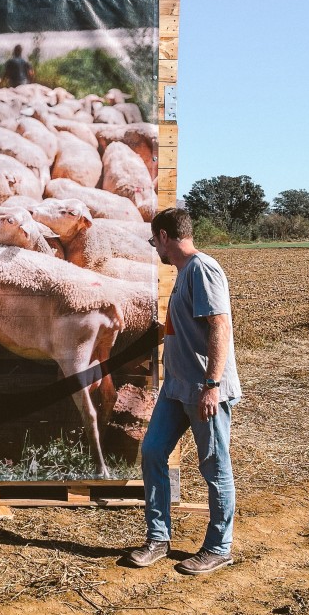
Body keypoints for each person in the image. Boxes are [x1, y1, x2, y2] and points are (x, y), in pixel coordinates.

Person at [123, 207, 241, 575]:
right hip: (177, 388)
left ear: (163, 237)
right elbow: (190, 326)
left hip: (203, 390)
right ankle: (158, 538)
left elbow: (219, 326)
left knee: (215, 466)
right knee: (154, 450)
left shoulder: (202, 269)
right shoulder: (184, 273)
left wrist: (212, 385)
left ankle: (219, 547)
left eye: (153, 240)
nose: (154, 247)